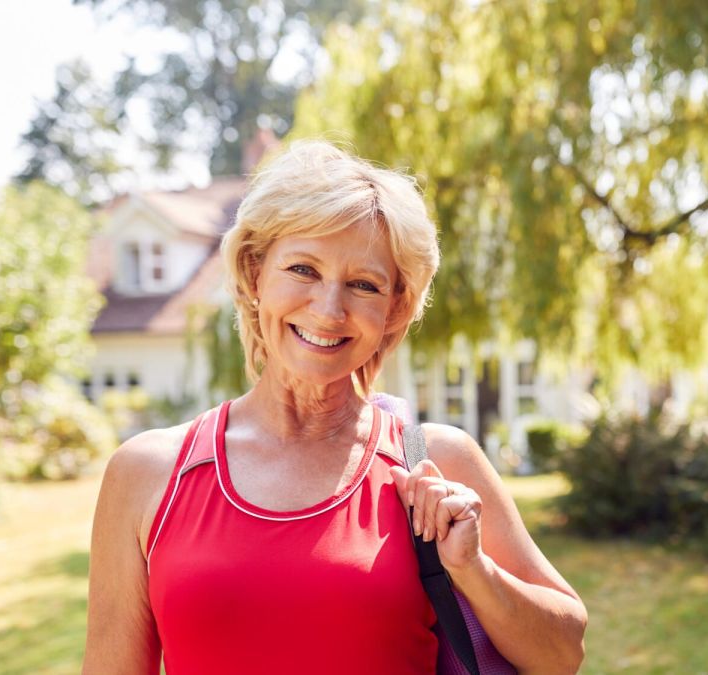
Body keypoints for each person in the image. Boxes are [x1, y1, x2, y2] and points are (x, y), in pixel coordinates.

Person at [82, 141, 587, 674]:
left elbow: (562, 655)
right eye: (303, 269)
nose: (328, 310)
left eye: (363, 285)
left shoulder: (437, 462)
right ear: (254, 275)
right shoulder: (148, 474)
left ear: (395, 308)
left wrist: (473, 569)